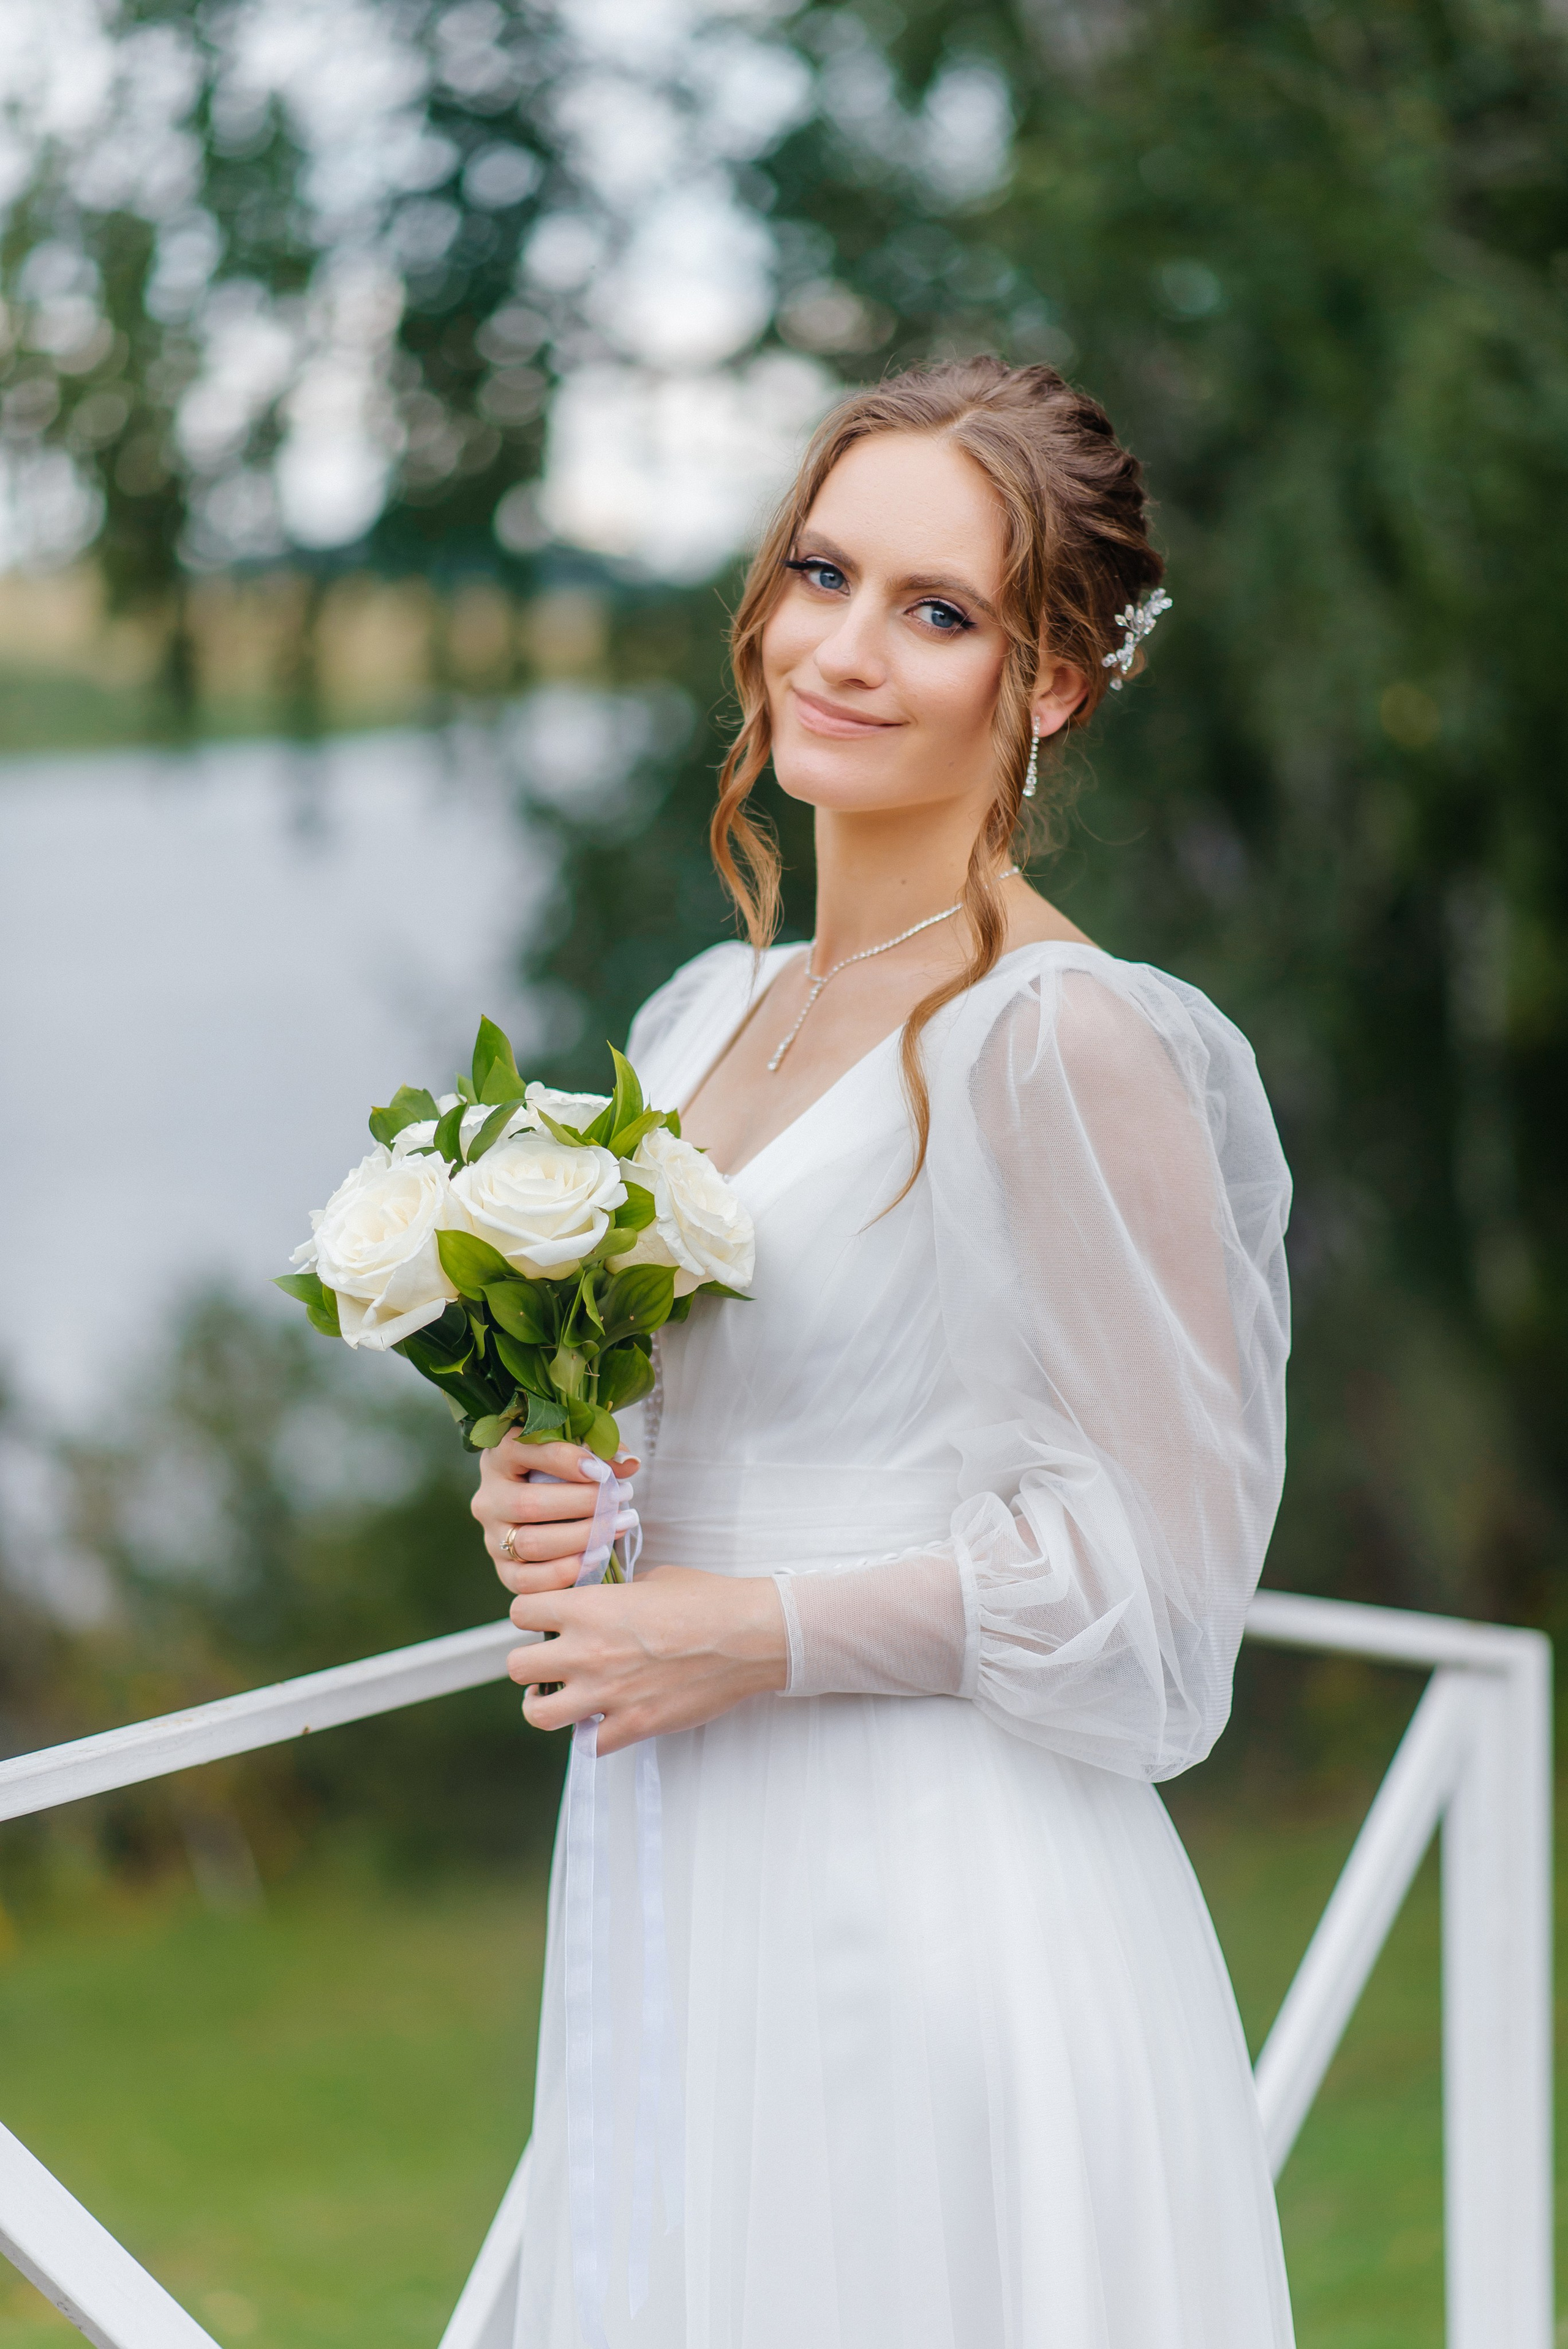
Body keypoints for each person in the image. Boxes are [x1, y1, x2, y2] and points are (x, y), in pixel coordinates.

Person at [472, 356, 1295, 2348]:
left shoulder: (1068, 1038)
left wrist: (742, 1630)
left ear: (1052, 686)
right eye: (822, 573)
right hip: (681, 1879)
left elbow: (1156, 1598)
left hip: (933, 1903)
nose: (844, 647)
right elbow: (716, 1431)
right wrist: (546, 1486)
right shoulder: (700, 1015)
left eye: (940, 612)